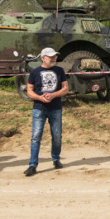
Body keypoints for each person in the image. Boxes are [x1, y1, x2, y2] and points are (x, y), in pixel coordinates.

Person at [24, 47, 69, 176]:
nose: (54, 58)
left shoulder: (59, 70)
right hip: (39, 108)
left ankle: (56, 159)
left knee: (57, 136)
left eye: (55, 56)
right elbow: (29, 91)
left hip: (55, 108)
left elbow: (65, 89)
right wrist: (39, 98)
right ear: (43, 58)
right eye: (51, 56)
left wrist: (53, 95)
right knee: (36, 136)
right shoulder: (34, 72)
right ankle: (32, 165)